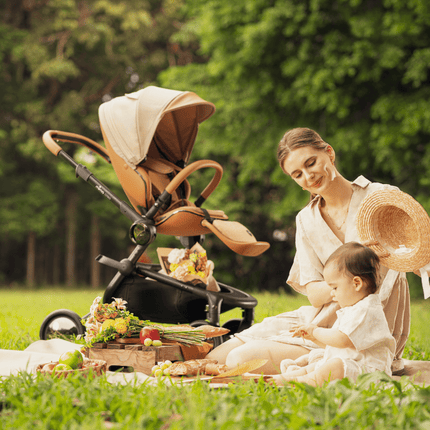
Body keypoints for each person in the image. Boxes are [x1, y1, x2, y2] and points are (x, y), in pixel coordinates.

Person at [206, 127, 410, 375]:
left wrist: (341, 285)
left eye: (311, 163)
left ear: (329, 153)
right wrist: (345, 285)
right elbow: (314, 294)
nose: (308, 176)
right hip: (318, 316)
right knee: (215, 356)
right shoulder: (306, 219)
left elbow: (416, 254)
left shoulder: (381, 197)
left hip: (359, 333)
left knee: (238, 359)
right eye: (297, 174)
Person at [270, 242, 396, 387]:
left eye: (335, 287)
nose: (332, 293)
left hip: (369, 374)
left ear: (356, 283)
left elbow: (342, 339)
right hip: (354, 366)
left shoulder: (367, 310)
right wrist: (314, 338)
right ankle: (289, 376)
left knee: (334, 365)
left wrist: (315, 331)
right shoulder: (353, 309)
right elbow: (338, 347)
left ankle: (296, 381)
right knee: (321, 363)